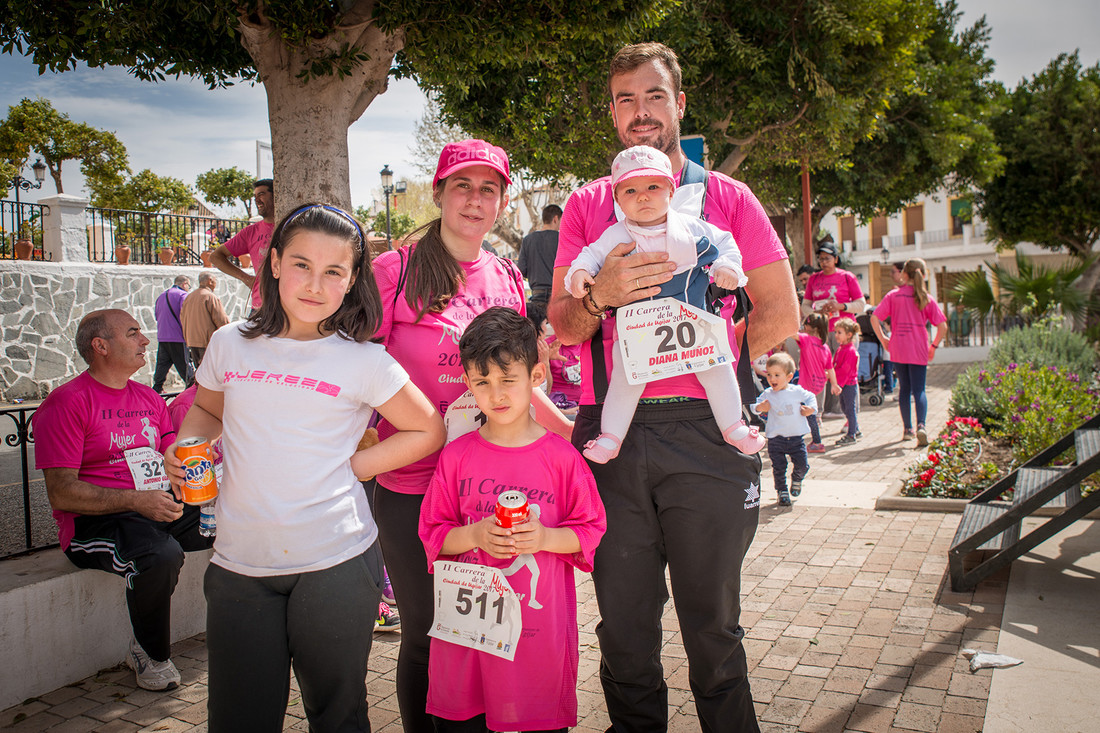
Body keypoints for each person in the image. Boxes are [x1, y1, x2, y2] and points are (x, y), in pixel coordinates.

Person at [547, 43, 800, 732]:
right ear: (612, 112)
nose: (640, 112)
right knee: (625, 637)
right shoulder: (591, 202)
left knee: (713, 634)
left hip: (708, 435)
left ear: (679, 104)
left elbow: (782, 310)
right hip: (614, 436)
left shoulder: (727, 198)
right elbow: (563, 325)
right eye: (625, 99)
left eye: (653, 96)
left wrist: (702, 342)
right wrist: (597, 296)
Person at [164, 203, 446, 731]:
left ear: (352, 278)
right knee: (238, 717)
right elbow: (206, 410)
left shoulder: (364, 360)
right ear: (272, 263)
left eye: (333, 271)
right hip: (239, 567)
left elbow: (428, 429)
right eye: (300, 264)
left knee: (337, 715)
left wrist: (357, 467)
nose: (315, 284)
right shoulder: (230, 344)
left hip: (336, 562)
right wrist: (187, 445)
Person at [369, 139, 574, 733]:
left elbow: (516, 383)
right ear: (438, 193)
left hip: (492, 487)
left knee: (483, 635)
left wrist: (573, 441)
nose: (475, 199)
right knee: (429, 635)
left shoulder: (508, 276)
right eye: (463, 185)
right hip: (412, 485)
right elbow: (355, 370)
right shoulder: (396, 270)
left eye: (489, 189)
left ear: (503, 202)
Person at [418, 307, 606, 732]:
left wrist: (542, 539)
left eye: (508, 380)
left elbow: (589, 531)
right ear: (467, 384)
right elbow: (433, 534)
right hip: (467, 635)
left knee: (538, 719)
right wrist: (475, 534)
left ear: (536, 376)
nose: (496, 394)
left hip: (535, 636)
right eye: (482, 382)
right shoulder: (457, 455)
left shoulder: (562, 459)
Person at [33, 309, 213, 692]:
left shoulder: (148, 396)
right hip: (96, 522)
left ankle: (246, 619)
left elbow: (170, 451)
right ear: (101, 346)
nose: (146, 341)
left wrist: (193, 473)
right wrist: (136, 501)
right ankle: (149, 653)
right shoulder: (66, 403)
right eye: (133, 334)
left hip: (153, 507)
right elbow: (61, 491)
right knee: (161, 556)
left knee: (234, 523)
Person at [564, 145, 763, 462]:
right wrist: (578, 274)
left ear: (671, 190)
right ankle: (611, 438)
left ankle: (734, 427)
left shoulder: (691, 226)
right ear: (617, 199)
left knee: (718, 369)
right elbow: (588, 256)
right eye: (630, 190)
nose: (643, 197)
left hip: (692, 325)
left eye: (652, 187)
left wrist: (728, 268)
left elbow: (725, 244)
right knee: (626, 380)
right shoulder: (616, 235)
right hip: (637, 330)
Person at [871, 258, 947, 447]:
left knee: (904, 389)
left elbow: (874, 317)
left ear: (904, 274)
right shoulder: (925, 298)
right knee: (919, 389)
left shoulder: (893, 296)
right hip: (919, 347)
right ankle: (922, 425)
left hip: (898, 347)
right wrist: (934, 346)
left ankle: (907, 430)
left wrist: (883, 339)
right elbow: (943, 326)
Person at [802, 241, 865, 417]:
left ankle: (848, 414)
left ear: (836, 259)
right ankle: (825, 409)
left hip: (845, 332)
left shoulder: (847, 277)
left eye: (827, 258)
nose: (824, 262)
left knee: (846, 371)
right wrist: (816, 312)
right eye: (821, 259)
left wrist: (841, 306)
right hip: (821, 332)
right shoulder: (814, 279)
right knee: (823, 370)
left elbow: (861, 304)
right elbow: (805, 305)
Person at [752, 352, 817, 506]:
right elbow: (754, 406)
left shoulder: (796, 391)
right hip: (776, 439)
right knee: (779, 468)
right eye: (769, 375)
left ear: (788, 377)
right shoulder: (768, 394)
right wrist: (760, 407)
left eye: (777, 375)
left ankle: (797, 478)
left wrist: (811, 409)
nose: (772, 379)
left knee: (803, 464)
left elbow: (811, 397)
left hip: (796, 438)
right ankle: (782, 491)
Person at [211, 178, 275, 311]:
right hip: (261, 307)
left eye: (261, 194)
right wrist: (245, 278)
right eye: (255, 196)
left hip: (289, 307)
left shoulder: (291, 227)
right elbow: (215, 256)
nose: (257, 200)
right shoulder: (251, 232)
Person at [792, 313, 835, 453]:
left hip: (806, 384)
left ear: (811, 327)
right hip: (819, 385)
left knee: (803, 413)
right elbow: (830, 368)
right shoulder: (825, 347)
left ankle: (815, 442)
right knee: (811, 414)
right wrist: (834, 384)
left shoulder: (806, 339)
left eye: (805, 324)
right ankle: (813, 440)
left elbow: (791, 333)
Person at [152, 275, 192, 393]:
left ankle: (157, 388)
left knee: (162, 364)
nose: (189, 288)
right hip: (178, 336)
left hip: (163, 336)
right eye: (189, 286)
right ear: (184, 284)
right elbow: (185, 316)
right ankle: (191, 390)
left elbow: (156, 315)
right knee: (185, 365)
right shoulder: (182, 296)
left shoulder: (161, 296)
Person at [179, 272, 229, 368]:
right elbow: (221, 320)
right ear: (210, 281)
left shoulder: (189, 297)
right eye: (215, 281)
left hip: (192, 340)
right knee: (210, 370)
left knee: (199, 370)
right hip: (206, 341)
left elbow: (182, 317)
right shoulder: (210, 297)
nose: (215, 284)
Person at [517, 204, 563, 303]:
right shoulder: (562, 239)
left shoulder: (528, 240)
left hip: (536, 295)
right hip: (558, 297)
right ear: (555, 219)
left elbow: (520, 270)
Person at [832, 317, 861, 446]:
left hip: (848, 385)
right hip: (843, 384)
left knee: (849, 409)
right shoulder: (841, 348)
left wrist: (838, 385)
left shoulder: (850, 351)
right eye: (836, 332)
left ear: (849, 335)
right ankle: (856, 429)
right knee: (845, 407)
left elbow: (845, 370)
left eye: (839, 332)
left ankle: (851, 434)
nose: (836, 335)